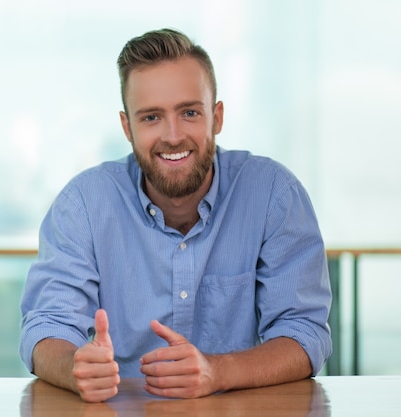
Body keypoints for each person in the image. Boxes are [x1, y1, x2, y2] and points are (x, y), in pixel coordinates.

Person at [19, 28, 332, 403]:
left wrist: (217, 371)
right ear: (127, 128)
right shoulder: (83, 204)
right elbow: (46, 326)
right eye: (151, 117)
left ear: (216, 117)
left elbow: (304, 332)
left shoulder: (274, 196)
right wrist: (75, 367)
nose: (172, 135)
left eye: (189, 113)